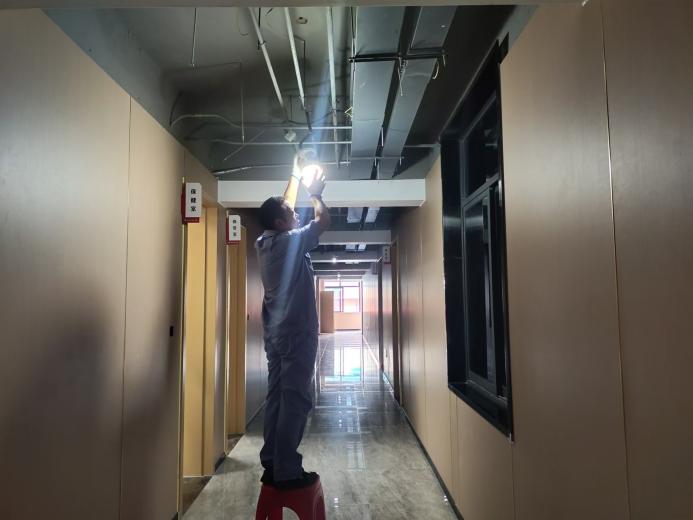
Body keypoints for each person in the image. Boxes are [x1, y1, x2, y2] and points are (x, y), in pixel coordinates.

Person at [255, 168, 331, 490]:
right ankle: (287, 469)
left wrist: (295, 173)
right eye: (290, 213)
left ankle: (272, 462)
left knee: (276, 396)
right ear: (280, 222)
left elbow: (282, 205)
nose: (296, 214)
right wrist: (316, 193)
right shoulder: (290, 242)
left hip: (275, 335)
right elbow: (323, 222)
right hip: (297, 333)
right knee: (296, 399)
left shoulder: (264, 242)